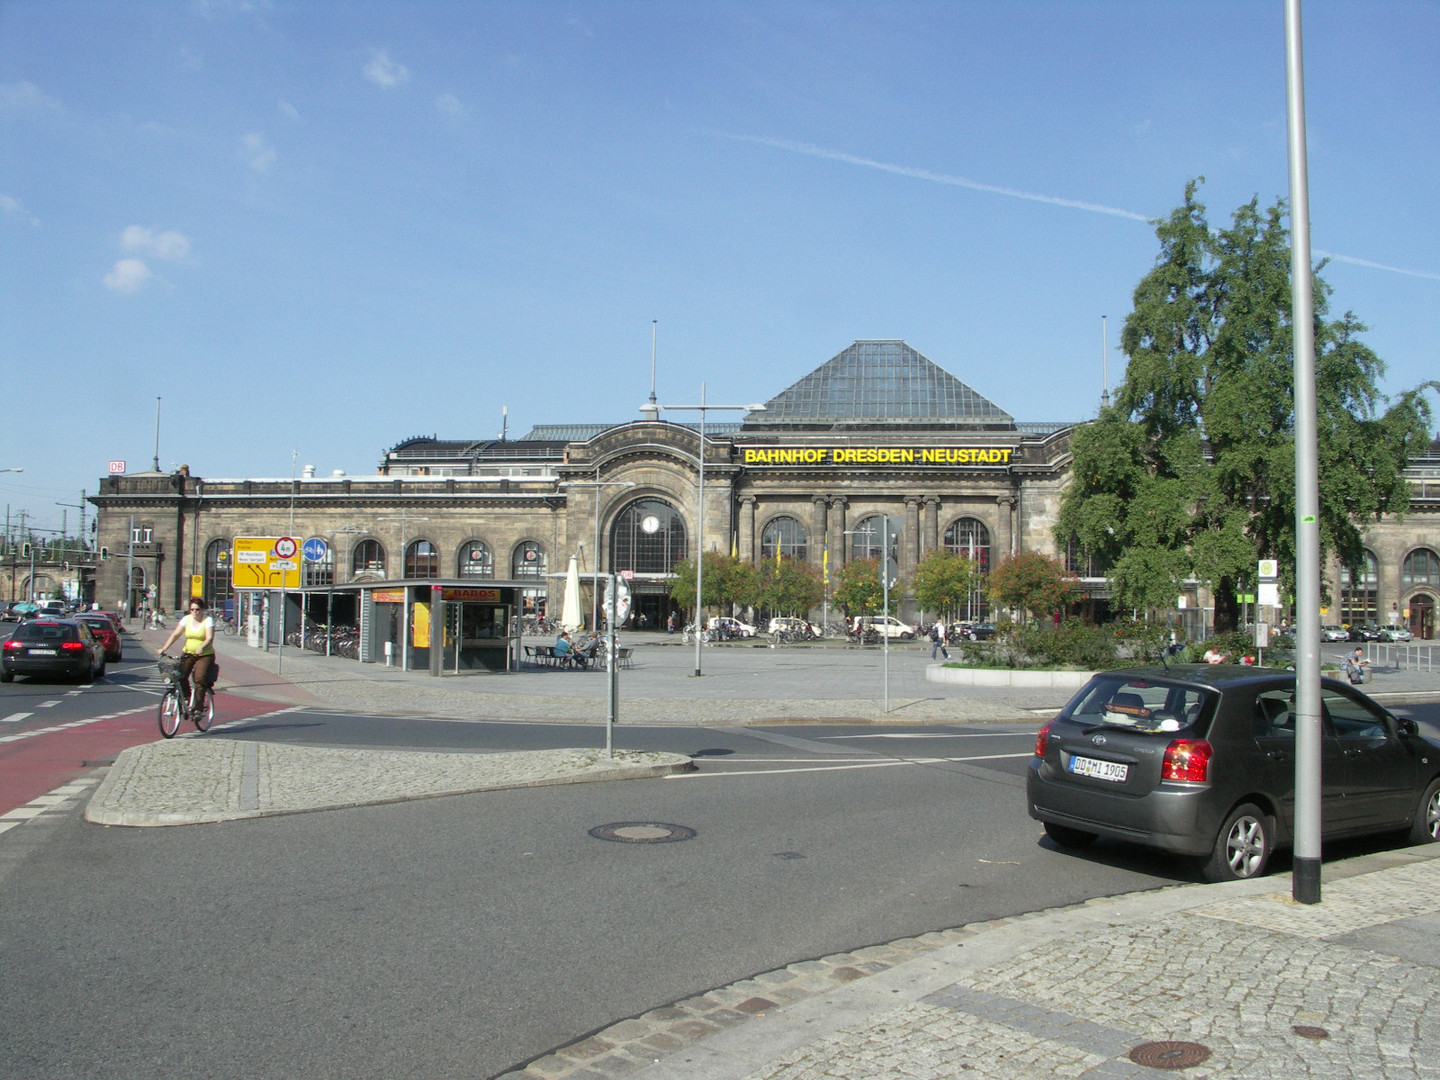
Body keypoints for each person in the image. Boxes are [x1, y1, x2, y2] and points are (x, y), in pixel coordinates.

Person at [159, 596, 216, 712]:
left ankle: (198, 709)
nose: (195, 612)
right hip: (188, 653)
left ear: (202, 610)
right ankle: (187, 697)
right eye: (192, 609)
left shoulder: (207, 620)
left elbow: (209, 638)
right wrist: (164, 648)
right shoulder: (186, 619)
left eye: (197, 609)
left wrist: (201, 647)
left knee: (199, 679)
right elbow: (176, 635)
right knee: (180, 675)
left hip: (204, 655)